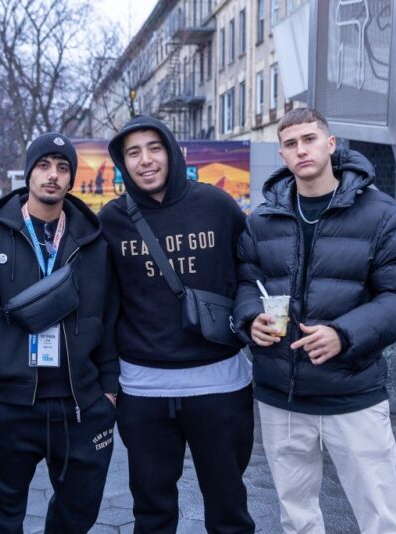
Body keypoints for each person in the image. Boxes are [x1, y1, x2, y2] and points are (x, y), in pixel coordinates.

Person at [234, 108, 396, 533]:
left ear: (330, 143)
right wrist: (250, 319)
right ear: (282, 154)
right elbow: (246, 282)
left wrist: (344, 334)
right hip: (281, 396)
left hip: (352, 393)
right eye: (290, 144)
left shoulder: (381, 214)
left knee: (380, 517)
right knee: (297, 517)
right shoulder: (262, 219)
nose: (301, 150)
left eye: (309, 139)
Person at [98, 115, 255, 533]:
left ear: (171, 151)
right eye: (133, 153)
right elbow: (105, 305)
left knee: (229, 511)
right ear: (123, 163)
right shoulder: (112, 220)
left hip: (219, 386)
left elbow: (249, 275)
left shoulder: (218, 207)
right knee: (152, 514)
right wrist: (107, 380)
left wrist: (249, 316)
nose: (146, 160)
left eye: (154, 148)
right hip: (144, 390)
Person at [0, 132, 120, 533]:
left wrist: (108, 393)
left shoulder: (94, 243)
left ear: (71, 178)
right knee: (1, 521)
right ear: (29, 172)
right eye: (44, 166)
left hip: (80, 406)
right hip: (6, 406)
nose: (53, 175)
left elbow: (110, 319)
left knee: (76, 517)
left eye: (63, 168)